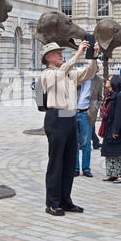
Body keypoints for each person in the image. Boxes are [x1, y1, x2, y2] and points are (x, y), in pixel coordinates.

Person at [41, 41, 99, 216]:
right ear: (48, 58)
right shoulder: (47, 74)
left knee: (68, 163)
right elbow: (60, 73)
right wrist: (77, 54)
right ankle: (52, 203)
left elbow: (89, 73)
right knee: (56, 162)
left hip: (69, 116)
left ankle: (65, 201)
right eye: (56, 53)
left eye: (61, 52)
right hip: (56, 117)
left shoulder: (69, 74)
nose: (60, 54)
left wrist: (93, 56)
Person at [75, 59, 103, 177]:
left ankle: (86, 168)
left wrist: (93, 110)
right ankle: (75, 168)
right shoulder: (79, 77)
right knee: (74, 143)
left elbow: (100, 98)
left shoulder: (98, 80)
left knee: (86, 143)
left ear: (97, 69)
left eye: (93, 66)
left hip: (86, 114)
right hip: (73, 113)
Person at [100, 75, 121, 183]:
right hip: (108, 126)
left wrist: (115, 130)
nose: (107, 81)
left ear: (114, 83)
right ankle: (111, 173)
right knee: (109, 151)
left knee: (118, 153)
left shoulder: (118, 97)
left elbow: (119, 115)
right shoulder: (108, 95)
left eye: (109, 80)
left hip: (116, 128)